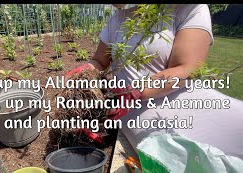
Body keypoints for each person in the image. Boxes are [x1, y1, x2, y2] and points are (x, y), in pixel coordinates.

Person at [66, 4, 243, 159]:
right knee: (178, 158)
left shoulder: (189, 8)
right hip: (136, 113)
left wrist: (136, 92)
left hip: (183, 100)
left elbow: (186, 69)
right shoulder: (118, 18)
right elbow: (100, 60)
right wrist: (84, 71)